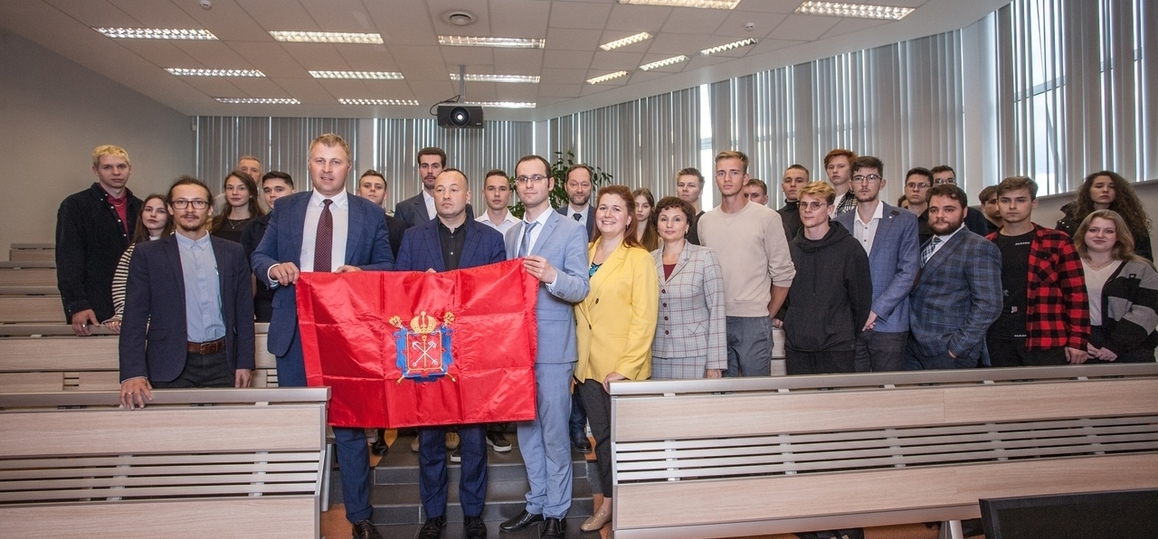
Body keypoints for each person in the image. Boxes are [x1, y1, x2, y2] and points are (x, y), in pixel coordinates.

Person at [251, 133, 393, 539]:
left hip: (349, 335)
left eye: (335, 162)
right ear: (309, 164)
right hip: (295, 332)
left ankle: (359, 516)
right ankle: (295, 511)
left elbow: (388, 265)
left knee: (350, 428)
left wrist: (362, 274)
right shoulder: (287, 208)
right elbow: (259, 256)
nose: (327, 169)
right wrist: (274, 269)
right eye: (319, 161)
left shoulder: (369, 213)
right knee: (299, 425)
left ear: (348, 167)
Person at [395, 169, 505, 539]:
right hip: (428, 351)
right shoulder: (413, 237)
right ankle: (434, 514)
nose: (446, 195)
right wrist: (419, 286)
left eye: (453, 189)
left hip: (473, 351)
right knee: (430, 438)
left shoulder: (490, 239)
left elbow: (498, 297)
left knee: (473, 438)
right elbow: (399, 292)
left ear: (468, 195)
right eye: (440, 189)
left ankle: (473, 513)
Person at [499, 155, 589, 539]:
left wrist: (552, 276)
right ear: (517, 186)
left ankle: (557, 510)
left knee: (553, 433)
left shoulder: (571, 230)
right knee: (527, 432)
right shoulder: (511, 235)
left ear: (550, 184)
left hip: (553, 348)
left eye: (536, 178)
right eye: (522, 179)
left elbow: (580, 287)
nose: (529, 185)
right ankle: (536, 503)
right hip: (518, 349)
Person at [119, 177, 255, 409]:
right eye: (181, 202)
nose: (190, 209)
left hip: (223, 363)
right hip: (169, 362)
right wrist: (132, 373)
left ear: (210, 209)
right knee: (174, 430)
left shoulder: (233, 252)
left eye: (198, 202)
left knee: (223, 429)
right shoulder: (147, 254)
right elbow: (134, 317)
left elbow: (243, 312)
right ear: (171, 208)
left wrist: (244, 362)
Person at [574, 185, 658, 534]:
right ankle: (609, 503)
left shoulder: (639, 258)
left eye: (616, 209)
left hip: (621, 367)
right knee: (602, 439)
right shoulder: (583, 251)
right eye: (603, 208)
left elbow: (645, 318)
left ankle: (628, 507)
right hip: (586, 366)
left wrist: (624, 368)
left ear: (629, 218)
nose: (607, 214)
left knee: (622, 441)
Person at [697, 150, 796, 377]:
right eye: (721, 173)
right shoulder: (705, 221)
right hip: (716, 320)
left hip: (754, 320)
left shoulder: (767, 218)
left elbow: (784, 274)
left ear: (745, 178)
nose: (727, 178)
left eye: (734, 172)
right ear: (715, 178)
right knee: (721, 391)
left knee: (756, 390)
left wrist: (766, 314)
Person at [986, 176, 1090, 367]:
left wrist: (1078, 339)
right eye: (1005, 200)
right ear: (998, 204)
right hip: (997, 339)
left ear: (1034, 203)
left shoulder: (1057, 241)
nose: (1012, 206)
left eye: (1020, 200)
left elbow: (1076, 294)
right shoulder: (986, 244)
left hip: (1046, 337)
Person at [834, 156, 920, 372]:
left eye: (871, 177)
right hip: (850, 323)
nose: (864, 183)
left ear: (882, 183)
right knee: (855, 388)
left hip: (890, 323)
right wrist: (858, 312)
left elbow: (908, 272)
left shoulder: (904, 220)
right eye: (858, 178)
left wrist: (875, 311)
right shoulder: (838, 223)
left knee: (888, 388)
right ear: (850, 184)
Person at [905, 184, 1002, 370]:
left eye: (949, 209)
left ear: (964, 212)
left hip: (949, 350)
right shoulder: (927, 245)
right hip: (915, 345)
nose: (940, 215)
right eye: (934, 210)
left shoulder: (978, 246)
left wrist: (957, 347)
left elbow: (989, 304)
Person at [784, 181, 872, 375]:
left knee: (839, 396)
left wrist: (844, 332)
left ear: (830, 209)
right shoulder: (788, 250)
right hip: (797, 346)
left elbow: (861, 301)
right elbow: (782, 293)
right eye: (803, 204)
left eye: (815, 205)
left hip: (838, 347)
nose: (808, 210)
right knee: (800, 395)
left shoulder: (850, 249)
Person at [56, 144, 143, 336]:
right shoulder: (75, 206)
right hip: (94, 303)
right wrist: (77, 304)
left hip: (137, 301)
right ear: (96, 170)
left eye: (121, 166)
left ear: (130, 169)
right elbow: (68, 259)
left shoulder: (142, 208)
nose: (116, 172)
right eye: (107, 167)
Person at [651, 196, 726, 379]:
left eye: (677, 219)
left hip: (696, 354)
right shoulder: (648, 259)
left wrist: (715, 363)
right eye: (663, 219)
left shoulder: (705, 256)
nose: (669, 224)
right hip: (656, 355)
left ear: (687, 226)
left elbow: (717, 310)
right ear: (657, 226)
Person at [1073, 210, 1158, 363]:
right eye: (1093, 230)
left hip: (1132, 348)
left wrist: (1116, 345)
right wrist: (1076, 341)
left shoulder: (1141, 269)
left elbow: (1147, 311)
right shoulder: (1067, 266)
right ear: (1083, 233)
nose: (1100, 235)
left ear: (1119, 236)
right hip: (1083, 348)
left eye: (1109, 231)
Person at [104, 194, 174, 333]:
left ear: (170, 215)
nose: (153, 214)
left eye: (160, 211)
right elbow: (121, 285)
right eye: (148, 209)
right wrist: (122, 315)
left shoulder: (178, 246)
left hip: (171, 320)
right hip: (140, 320)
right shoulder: (133, 250)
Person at [1056, 171, 1153, 261]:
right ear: (1088, 190)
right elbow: (1058, 256)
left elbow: (1144, 257)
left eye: (1112, 187)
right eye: (1099, 186)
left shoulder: (1133, 223)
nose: (1105, 190)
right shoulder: (1069, 222)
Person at [240, 171, 295, 323]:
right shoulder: (254, 227)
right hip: (266, 302)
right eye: (267, 190)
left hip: (301, 299)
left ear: (293, 192)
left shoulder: (308, 223)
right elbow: (245, 270)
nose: (272, 195)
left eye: (279, 189)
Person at [396, 147, 473, 228]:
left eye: (435, 166)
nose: (429, 171)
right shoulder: (404, 209)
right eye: (425, 166)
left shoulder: (464, 207)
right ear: (419, 170)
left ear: (443, 170)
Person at [357, 169, 407, 259]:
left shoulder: (399, 227)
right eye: (367, 186)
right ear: (358, 193)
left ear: (385, 195)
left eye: (378, 187)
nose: (372, 189)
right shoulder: (348, 222)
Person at [929, 165, 991, 236]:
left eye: (950, 181)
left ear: (955, 184)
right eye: (939, 181)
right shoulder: (925, 215)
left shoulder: (974, 215)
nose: (945, 184)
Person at [210, 170, 264, 243]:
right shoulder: (216, 223)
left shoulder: (261, 224)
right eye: (230, 188)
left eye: (241, 188)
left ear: (251, 193)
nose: (234, 192)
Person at [556, 164, 596, 240]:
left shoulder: (600, 218)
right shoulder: (554, 217)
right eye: (574, 184)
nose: (579, 190)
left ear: (591, 187)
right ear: (565, 187)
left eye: (584, 185)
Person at [477, 169, 519, 235]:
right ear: (484, 194)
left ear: (510, 194)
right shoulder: (473, 227)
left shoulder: (520, 228)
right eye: (491, 189)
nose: (497, 194)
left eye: (502, 189)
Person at [675, 167, 706, 245]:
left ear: (700, 192)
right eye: (681, 185)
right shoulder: (670, 220)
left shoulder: (705, 220)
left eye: (691, 185)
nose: (685, 189)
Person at [778, 165, 808, 242]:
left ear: (808, 185)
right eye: (788, 181)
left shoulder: (814, 214)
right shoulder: (776, 216)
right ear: (782, 187)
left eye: (799, 181)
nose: (793, 184)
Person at [824, 148, 857, 215]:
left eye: (841, 166)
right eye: (831, 167)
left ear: (852, 169)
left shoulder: (859, 198)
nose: (834, 171)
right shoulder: (823, 198)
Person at [632, 187, 659, 251]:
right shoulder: (622, 233)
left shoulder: (658, 237)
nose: (640, 210)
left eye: (645, 206)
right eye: (636, 205)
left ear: (651, 208)